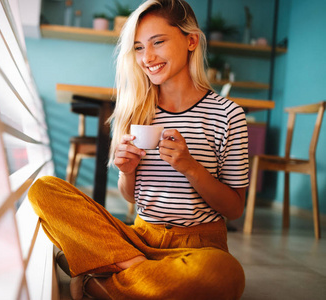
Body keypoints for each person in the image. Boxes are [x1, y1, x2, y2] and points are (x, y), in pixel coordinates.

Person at [28, 0, 248, 299]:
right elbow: (132, 196)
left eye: (158, 42)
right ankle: (137, 269)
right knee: (43, 189)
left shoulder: (227, 115)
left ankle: (99, 280)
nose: (148, 57)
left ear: (191, 40)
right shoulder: (135, 111)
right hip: (139, 238)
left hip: (200, 246)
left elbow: (234, 209)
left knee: (224, 274)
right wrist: (126, 172)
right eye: (139, 47)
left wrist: (190, 167)